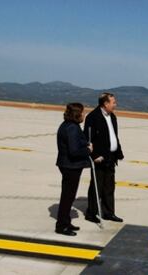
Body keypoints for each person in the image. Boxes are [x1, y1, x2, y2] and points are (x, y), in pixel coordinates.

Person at [84, 92, 124, 223]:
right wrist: (94, 156)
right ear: (105, 104)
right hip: (99, 158)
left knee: (109, 187)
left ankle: (108, 213)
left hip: (111, 157)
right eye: (113, 102)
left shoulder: (112, 117)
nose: (115, 105)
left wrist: (118, 152)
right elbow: (88, 139)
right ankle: (92, 213)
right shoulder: (93, 117)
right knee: (97, 187)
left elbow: (114, 136)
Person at [55, 103, 93, 236]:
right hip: (70, 166)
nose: (84, 115)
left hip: (68, 165)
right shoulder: (72, 128)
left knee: (68, 196)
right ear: (77, 114)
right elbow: (74, 151)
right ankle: (61, 225)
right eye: (82, 112)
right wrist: (88, 150)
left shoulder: (68, 125)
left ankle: (66, 221)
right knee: (67, 196)